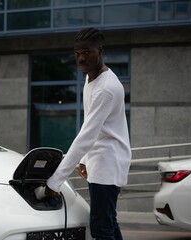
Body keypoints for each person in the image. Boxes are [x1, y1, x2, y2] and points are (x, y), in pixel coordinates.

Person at [45, 27, 131, 240]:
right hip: (101, 159)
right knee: (108, 221)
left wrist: (55, 181)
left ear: (100, 50)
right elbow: (93, 126)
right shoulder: (92, 78)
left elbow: (87, 135)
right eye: (77, 53)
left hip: (108, 162)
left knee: (101, 227)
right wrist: (85, 159)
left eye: (87, 52)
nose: (81, 58)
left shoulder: (106, 88)